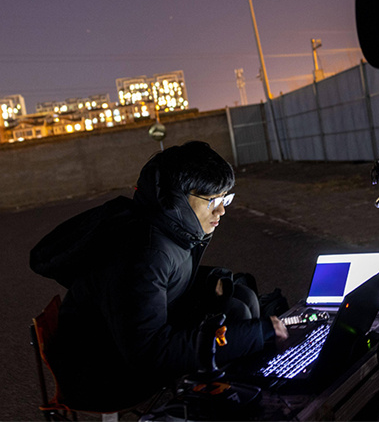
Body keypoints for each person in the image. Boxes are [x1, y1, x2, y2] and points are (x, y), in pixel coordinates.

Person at [30, 141, 288, 411]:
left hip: (118, 343)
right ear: (176, 198)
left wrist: (212, 282)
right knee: (241, 320)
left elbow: (164, 281)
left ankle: (241, 394)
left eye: (226, 198)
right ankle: (229, 407)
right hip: (102, 374)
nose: (222, 209)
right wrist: (253, 335)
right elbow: (149, 353)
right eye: (213, 200)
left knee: (240, 299)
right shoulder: (143, 249)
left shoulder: (167, 225)